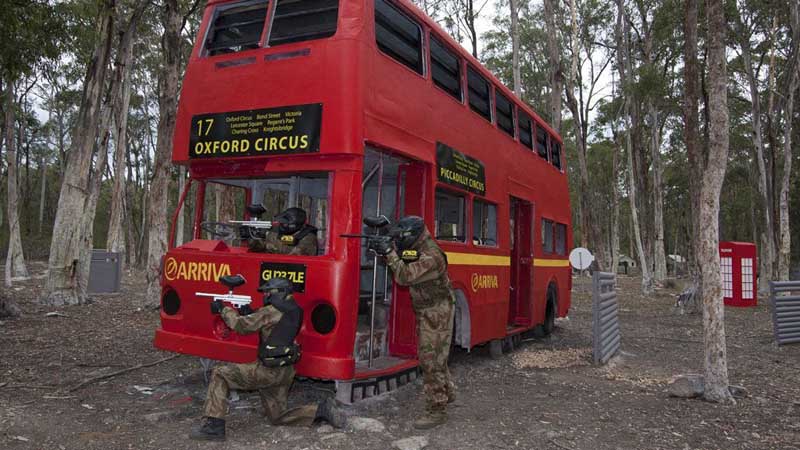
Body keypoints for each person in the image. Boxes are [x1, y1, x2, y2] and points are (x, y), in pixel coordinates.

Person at [190, 276, 345, 441]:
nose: (266, 296)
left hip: (268, 371)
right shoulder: (293, 308)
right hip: (284, 371)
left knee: (220, 374)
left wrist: (223, 309)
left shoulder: (271, 311)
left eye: (268, 293)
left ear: (279, 292)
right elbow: (272, 326)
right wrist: (250, 313)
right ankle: (321, 410)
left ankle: (214, 427)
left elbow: (241, 326)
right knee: (278, 417)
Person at [368, 216, 456, 429]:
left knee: (430, 360)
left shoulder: (431, 255)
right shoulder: (417, 243)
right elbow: (405, 249)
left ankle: (437, 410)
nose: (399, 241)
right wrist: (387, 230)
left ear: (413, 236)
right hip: (428, 310)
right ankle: (447, 392)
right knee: (436, 355)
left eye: (401, 238)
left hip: (437, 312)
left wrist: (389, 252)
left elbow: (404, 276)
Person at [248, 207, 318, 255]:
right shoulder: (275, 232)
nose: (281, 225)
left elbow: (295, 257)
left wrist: (270, 249)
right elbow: (257, 249)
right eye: (281, 223)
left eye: (285, 223)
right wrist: (255, 237)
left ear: (295, 225)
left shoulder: (308, 238)